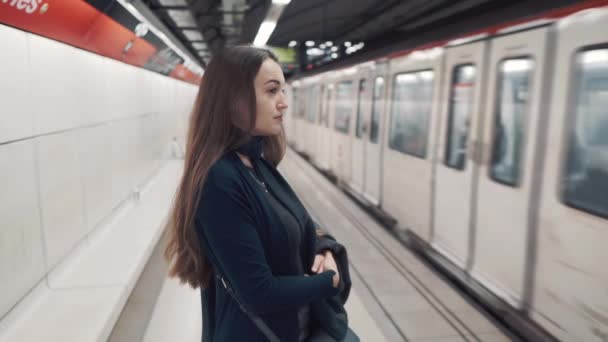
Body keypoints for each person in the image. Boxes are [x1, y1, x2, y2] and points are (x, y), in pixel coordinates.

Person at [164, 45, 358, 342]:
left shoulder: (257, 163)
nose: (283, 103)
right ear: (232, 101)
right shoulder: (219, 181)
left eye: (283, 91)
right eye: (271, 91)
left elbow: (305, 224)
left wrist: (325, 250)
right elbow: (259, 293)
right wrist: (328, 281)